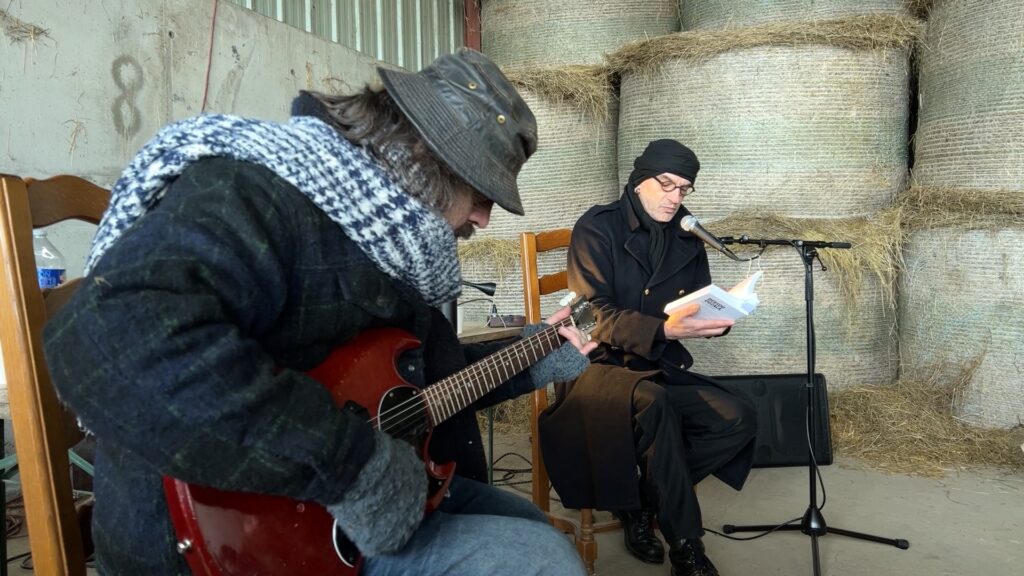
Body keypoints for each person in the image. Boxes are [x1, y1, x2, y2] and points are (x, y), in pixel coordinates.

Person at [43, 48, 597, 576]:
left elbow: (415, 387)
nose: (482, 219)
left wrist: (536, 355)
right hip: (229, 540)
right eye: (481, 192)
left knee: (525, 524)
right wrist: (352, 466)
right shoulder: (253, 194)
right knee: (543, 560)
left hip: (353, 494)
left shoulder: (397, 239)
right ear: (426, 155)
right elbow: (113, 342)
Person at [539, 140, 758, 576]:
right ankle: (686, 547)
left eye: (685, 189)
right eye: (667, 184)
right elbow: (588, 314)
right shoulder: (596, 227)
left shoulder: (688, 237)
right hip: (594, 367)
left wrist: (719, 315)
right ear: (640, 181)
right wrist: (663, 330)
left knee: (738, 416)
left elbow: (697, 303)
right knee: (656, 407)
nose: (675, 198)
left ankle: (637, 502)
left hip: (658, 365)